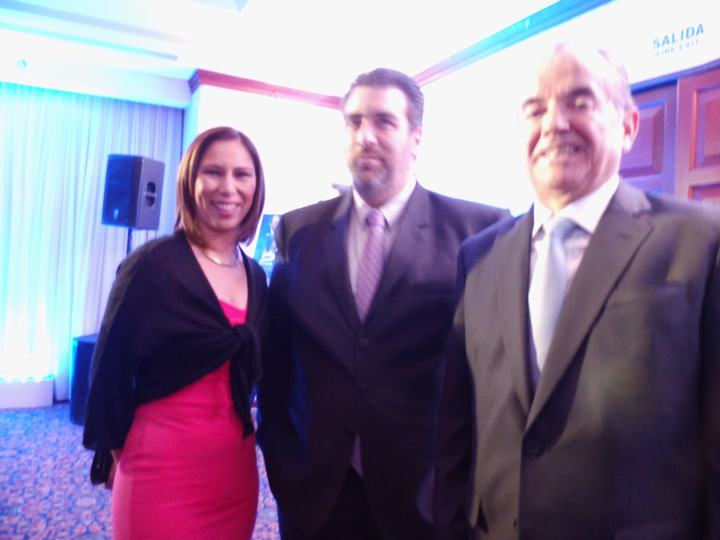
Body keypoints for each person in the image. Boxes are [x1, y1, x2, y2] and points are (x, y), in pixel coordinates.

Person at [434, 43, 720, 540]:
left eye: (580, 102)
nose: (554, 124)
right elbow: (459, 422)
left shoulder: (700, 241)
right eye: (535, 109)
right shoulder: (478, 257)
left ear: (628, 126)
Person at [257, 68, 509, 540]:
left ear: (416, 138)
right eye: (353, 121)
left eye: (383, 121)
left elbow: (494, 376)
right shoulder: (298, 230)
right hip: (314, 496)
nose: (365, 135)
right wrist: (280, 454)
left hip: (425, 501)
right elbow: (277, 359)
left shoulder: (480, 231)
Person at [83, 126, 268, 539]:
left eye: (242, 174)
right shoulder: (154, 265)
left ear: (256, 187)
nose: (228, 187)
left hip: (234, 474)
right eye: (213, 172)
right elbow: (110, 370)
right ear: (190, 180)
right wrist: (121, 456)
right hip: (159, 472)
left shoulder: (256, 276)